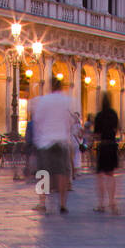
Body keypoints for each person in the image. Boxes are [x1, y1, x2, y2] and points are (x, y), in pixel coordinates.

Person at [30, 78, 75, 213]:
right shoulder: (66, 100)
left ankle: (42, 202)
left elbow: (37, 120)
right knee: (62, 172)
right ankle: (62, 203)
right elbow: (71, 120)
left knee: (43, 173)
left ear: (50, 87)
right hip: (61, 141)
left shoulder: (43, 101)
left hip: (45, 142)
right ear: (61, 87)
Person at [92, 93, 120, 214]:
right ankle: (112, 203)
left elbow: (97, 134)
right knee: (111, 175)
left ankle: (101, 204)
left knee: (100, 176)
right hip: (112, 145)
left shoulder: (99, 116)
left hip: (103, 146)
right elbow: (116, 129)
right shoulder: (113, 114)